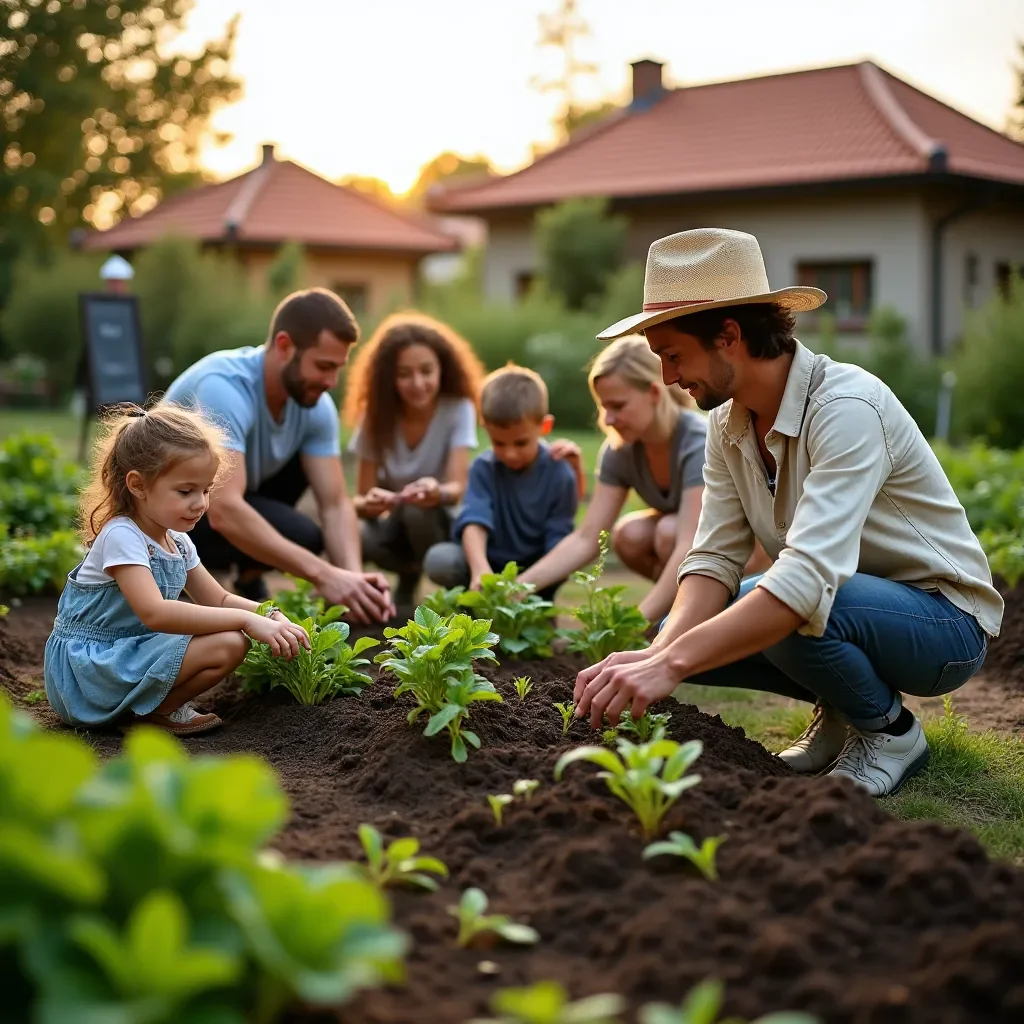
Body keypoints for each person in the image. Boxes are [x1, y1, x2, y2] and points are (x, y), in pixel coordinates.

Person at [572, 227, 1003, 797]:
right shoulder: (725, 424)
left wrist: (668, 666)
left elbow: (804, 580)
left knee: (779, 607)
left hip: (943, 624)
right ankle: (844, 705)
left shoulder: (846, 409)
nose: (669, 378)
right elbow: (713, 558)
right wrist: (658, 654)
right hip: (844, 602)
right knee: (679, 630)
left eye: (673, 356)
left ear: (728, 335)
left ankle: (891, 732)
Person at [44, 404, 311, 736]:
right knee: (232, 637)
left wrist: (269, 614)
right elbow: (155, 613)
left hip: (131, 654)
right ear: (138, 485)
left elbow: (219, 599)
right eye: (186, 491)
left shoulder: (179, 542)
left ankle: (154, 713)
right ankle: (143, 712)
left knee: (231, 644)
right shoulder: (122, 535)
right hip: (90, 672)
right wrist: (246, 620)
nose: (200, 503)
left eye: (206, 490)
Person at [164, 287, 393, 624]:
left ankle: (247, 577)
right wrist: (325, 576)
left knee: (306, 536)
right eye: (323, 366)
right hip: (166, 519)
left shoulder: (314, 404)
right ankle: (176, 578)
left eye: (338, 368)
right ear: (285, 346)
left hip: (224, 503)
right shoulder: (224, 388)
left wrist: (355, 582)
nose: (332, 382)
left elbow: (335, 504)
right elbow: (224, 510)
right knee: (299, 544)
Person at [517, 335, 708, 627]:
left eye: (617, 406)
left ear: (654, 393)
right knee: (629, 534)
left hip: (729, 553)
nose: (607, 419)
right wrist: (518, 587)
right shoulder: (622, 448)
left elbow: (689, 544)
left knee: (668, 532)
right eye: (604, 406)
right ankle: (673, 615)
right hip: (686, 548)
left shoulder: (696, 441)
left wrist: (632, 624)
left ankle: (680, 617)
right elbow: (587, 538)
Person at [343, 313, 485, 608]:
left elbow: (457, 488)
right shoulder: (375, 415)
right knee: (355, 532)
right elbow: (359, 499)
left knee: (416, 512)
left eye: (426, 371)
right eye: (404, 374)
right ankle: (374, 591)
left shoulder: (458, 409)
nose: (417, 383)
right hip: (392, 527)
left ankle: (456, 597)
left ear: (442, 369)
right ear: (388, 377)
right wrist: (372, 503)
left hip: (437, 523)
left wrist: (436, 491)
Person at [423, 364, 581, 599]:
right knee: (441, 560)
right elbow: (474, 520)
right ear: (485, 427)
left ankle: (539, 608)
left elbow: (559, 539)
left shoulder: (560, 474)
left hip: (536, 570)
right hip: (490, 563)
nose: (510, 454)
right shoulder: (483, 468)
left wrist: (528, 584)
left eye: (520, 443)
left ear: (544, 426)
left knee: (565, 557)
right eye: (499, 443)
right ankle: (471, 605)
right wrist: (480, 570)